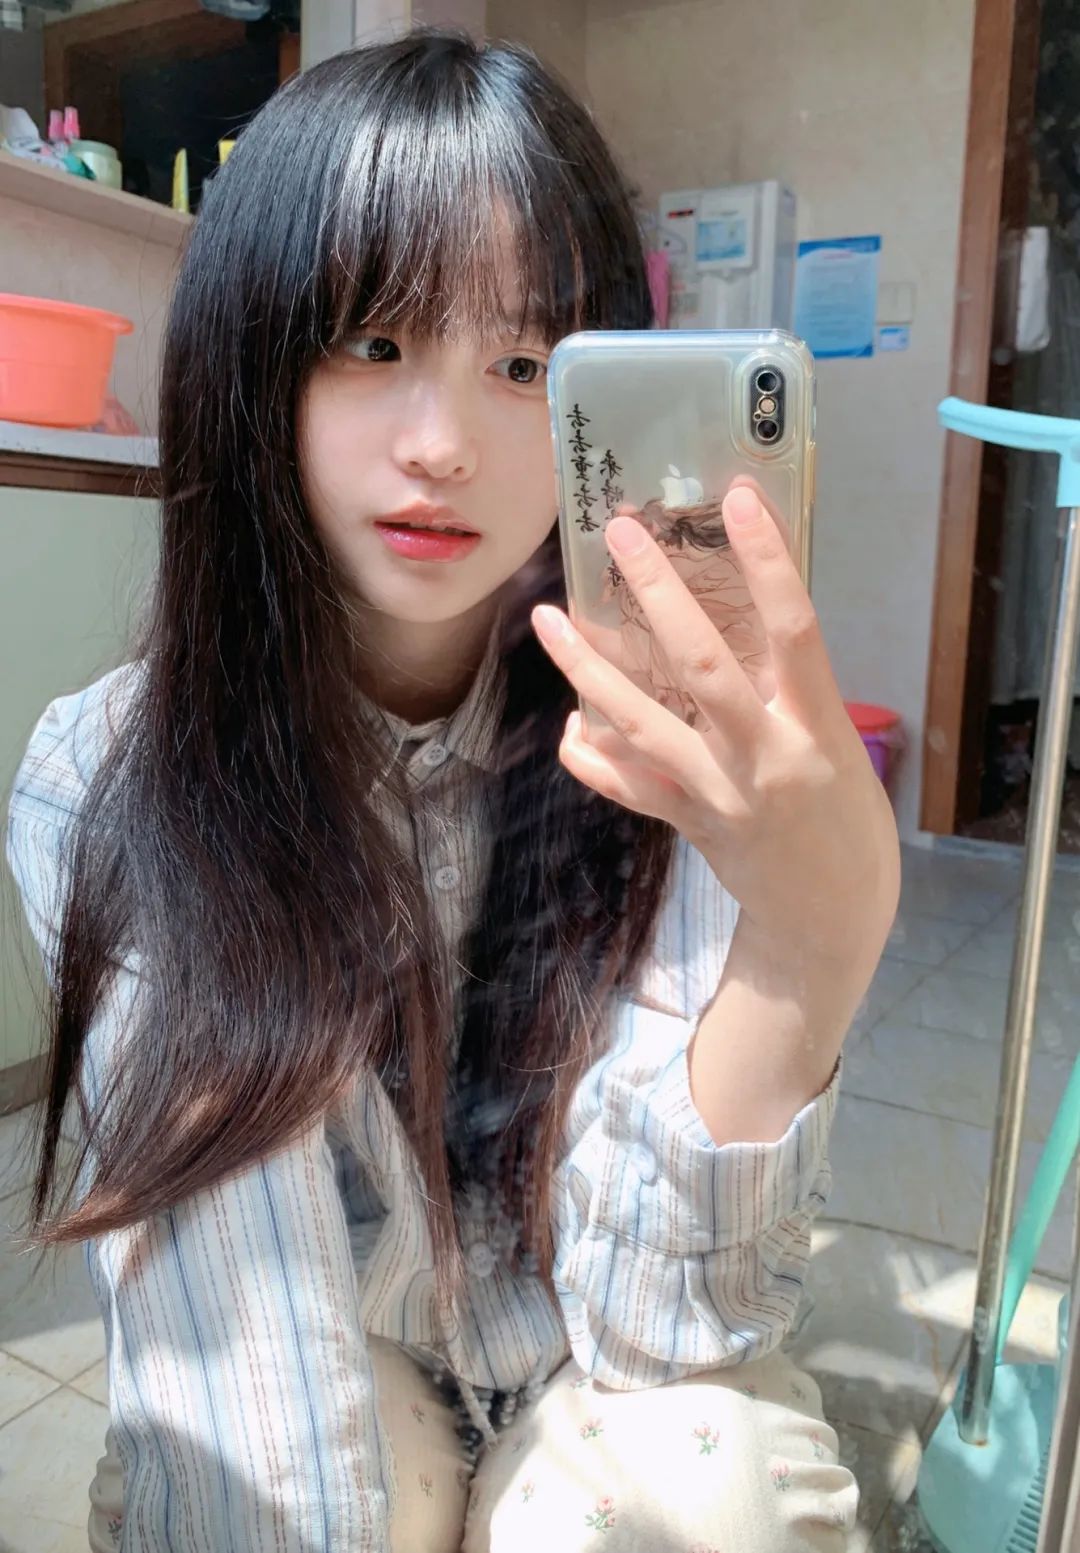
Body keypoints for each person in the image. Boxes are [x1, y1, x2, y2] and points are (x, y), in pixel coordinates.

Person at [5, 28, 899, 1553]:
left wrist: (807, 947)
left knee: (709, 1489)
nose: (442, 446)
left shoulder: (667, 743)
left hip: (583, 1365)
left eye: (525, 365)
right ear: (251, 360)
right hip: (333, 1365)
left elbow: (661, 1330)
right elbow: (252, 1391)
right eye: (373, 343)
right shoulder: (115, 774)